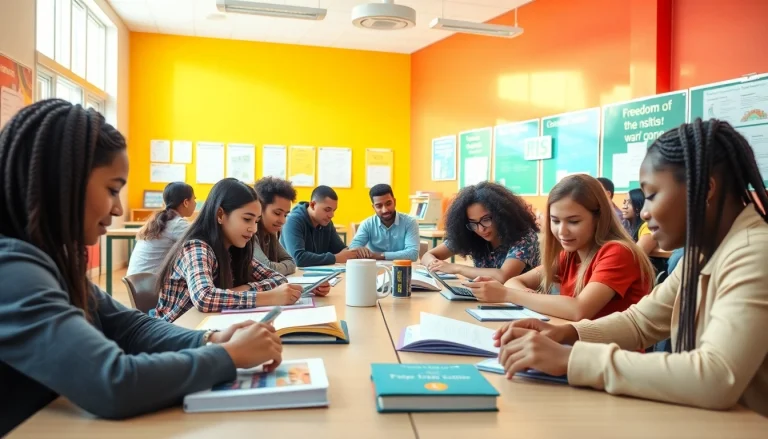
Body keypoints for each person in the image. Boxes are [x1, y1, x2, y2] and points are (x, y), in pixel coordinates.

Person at [0, 100, 283, 435]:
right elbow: (113, 381)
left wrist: (211, 338)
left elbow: (128, 327)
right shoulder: (12, 270)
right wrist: (228, 357)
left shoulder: (50, 261)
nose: (119, 208)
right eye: (112, 189)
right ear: (61, 182)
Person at [493, 119, 768, 417]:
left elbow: (716, 377)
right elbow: (640, 322)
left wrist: (572, 359)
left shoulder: (755, 252)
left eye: (650, 195)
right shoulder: (702, 253)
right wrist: (567, 334)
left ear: (705, 189)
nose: (644, 211)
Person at [466, 174, 654, 320]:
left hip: (610, 360)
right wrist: (519, 294)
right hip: (574, 350)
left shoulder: (617, 252)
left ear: (599, 218)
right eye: (555, 221)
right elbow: (513, 281)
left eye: (573, 221)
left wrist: (508, 295)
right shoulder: (570, 254)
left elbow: (578, 310)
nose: (562, 231)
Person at [154, 178, 318, 323]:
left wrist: (235, 291)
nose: (253, 229)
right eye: (247, 219)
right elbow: (205, 298)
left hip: (206, 327)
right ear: (220, 214)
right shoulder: (197, 246)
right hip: (174, 332)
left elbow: (278, 279)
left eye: (256, 221)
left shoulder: (234, 247)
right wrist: (268, 297)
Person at [421, 182, 540, 284]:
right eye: (473, 223)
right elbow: (427, 256)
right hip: (486, 300)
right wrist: (435, 264)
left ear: (501, 215)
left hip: (520, 304)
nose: (481, 229)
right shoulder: (471, 234)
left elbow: (503, 276)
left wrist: (455, 268)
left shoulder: (524, 237)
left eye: (486, 219)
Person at [127, 182, 196, 275]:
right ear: (186, 202)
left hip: (136, 281)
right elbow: (201, 242)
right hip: (149, 284)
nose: (195, 203)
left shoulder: (162, 220)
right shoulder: (177, 224)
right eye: (194, 199)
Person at [280, 185, 358, 267]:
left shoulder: (326, 222)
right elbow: (298, 259)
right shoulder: (293, 220)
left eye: (333, 210)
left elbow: (341, 250)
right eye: (327, 210)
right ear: (313, 205)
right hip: (292, 276)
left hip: (317, 276)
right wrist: (335, 258)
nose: (331, 215)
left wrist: (354, 251)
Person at [348, 184, 420, 261]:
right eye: (379, 206)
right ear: (373, 207)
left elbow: (413, 254)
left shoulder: (409, 222)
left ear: (394, 202)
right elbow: (353, 248)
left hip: (402, 269)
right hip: (374, 269)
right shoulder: (367, 224)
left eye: (388, 204)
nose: (385, 210)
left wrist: (379, 255)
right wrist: (358, 249)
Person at [253, 177, 297, 275]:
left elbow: (292, 262)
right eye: (277, 213)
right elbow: (267, 269)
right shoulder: (250, 233)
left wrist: (279, 267)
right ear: (259, 208)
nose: (283, 220)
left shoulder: (271, 233)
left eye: (285, 215)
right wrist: (283, 267)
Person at [622, 188, 668, 273]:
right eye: (624, 202)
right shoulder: (627, 225)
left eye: (630, 203)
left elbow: (637, 256)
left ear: (640, 205)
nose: (624, 206)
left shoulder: (648, 227)